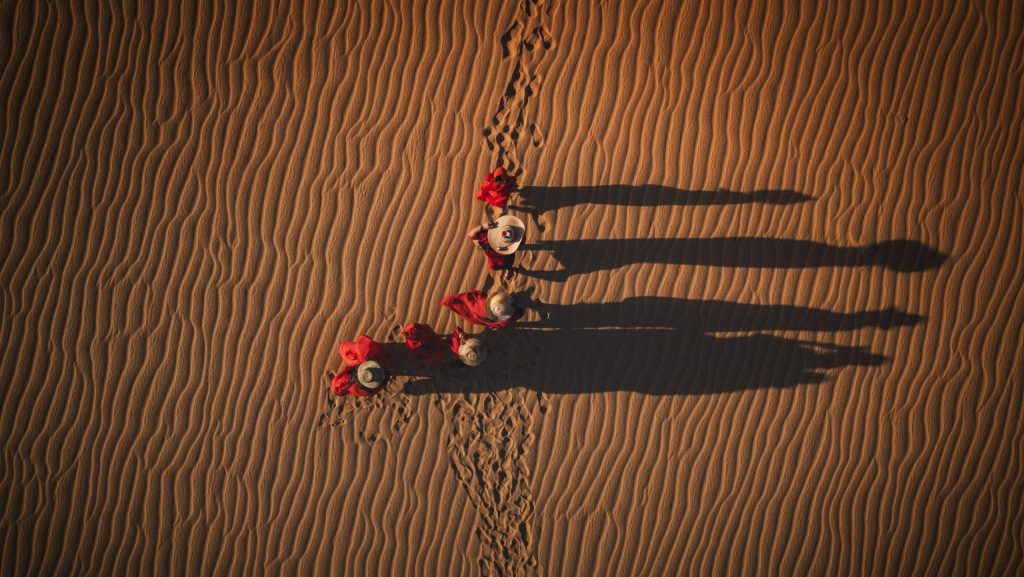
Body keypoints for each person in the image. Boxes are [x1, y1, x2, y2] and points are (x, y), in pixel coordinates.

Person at [440, 289, 525, 328]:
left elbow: (474, 294)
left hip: (473, 316)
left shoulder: (481, 302)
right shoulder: (505, 321)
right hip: (483, 320)